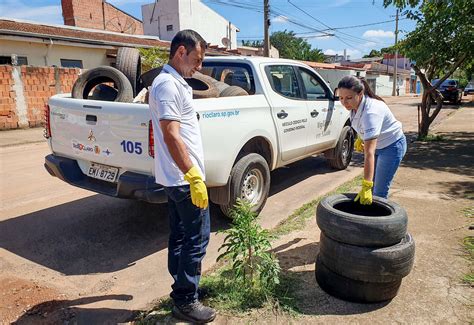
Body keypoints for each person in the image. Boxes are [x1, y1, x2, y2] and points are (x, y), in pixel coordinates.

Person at [149, 29, 216, 323]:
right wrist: (193, 176)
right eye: (197, 60)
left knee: (179, 236)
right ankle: (186, 300)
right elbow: (171, 135)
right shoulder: (167, 85)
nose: (198, 67)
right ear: (180, 52)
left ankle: (181, 289)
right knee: (196, 239)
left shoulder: (175, 83)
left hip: (177, 178)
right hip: (182, 179)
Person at [337, 76, 407, 204]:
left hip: (392, 146)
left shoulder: (371, 112)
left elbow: (369, 153)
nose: (344, 102)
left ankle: (379, 222)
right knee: (373, 187)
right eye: (341, 98)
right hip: (379, 144)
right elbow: (359, 123)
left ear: (360, 94)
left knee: (378, 192)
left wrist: (366, 185)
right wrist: (360, 137)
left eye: (348, 98)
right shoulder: (355, 106)